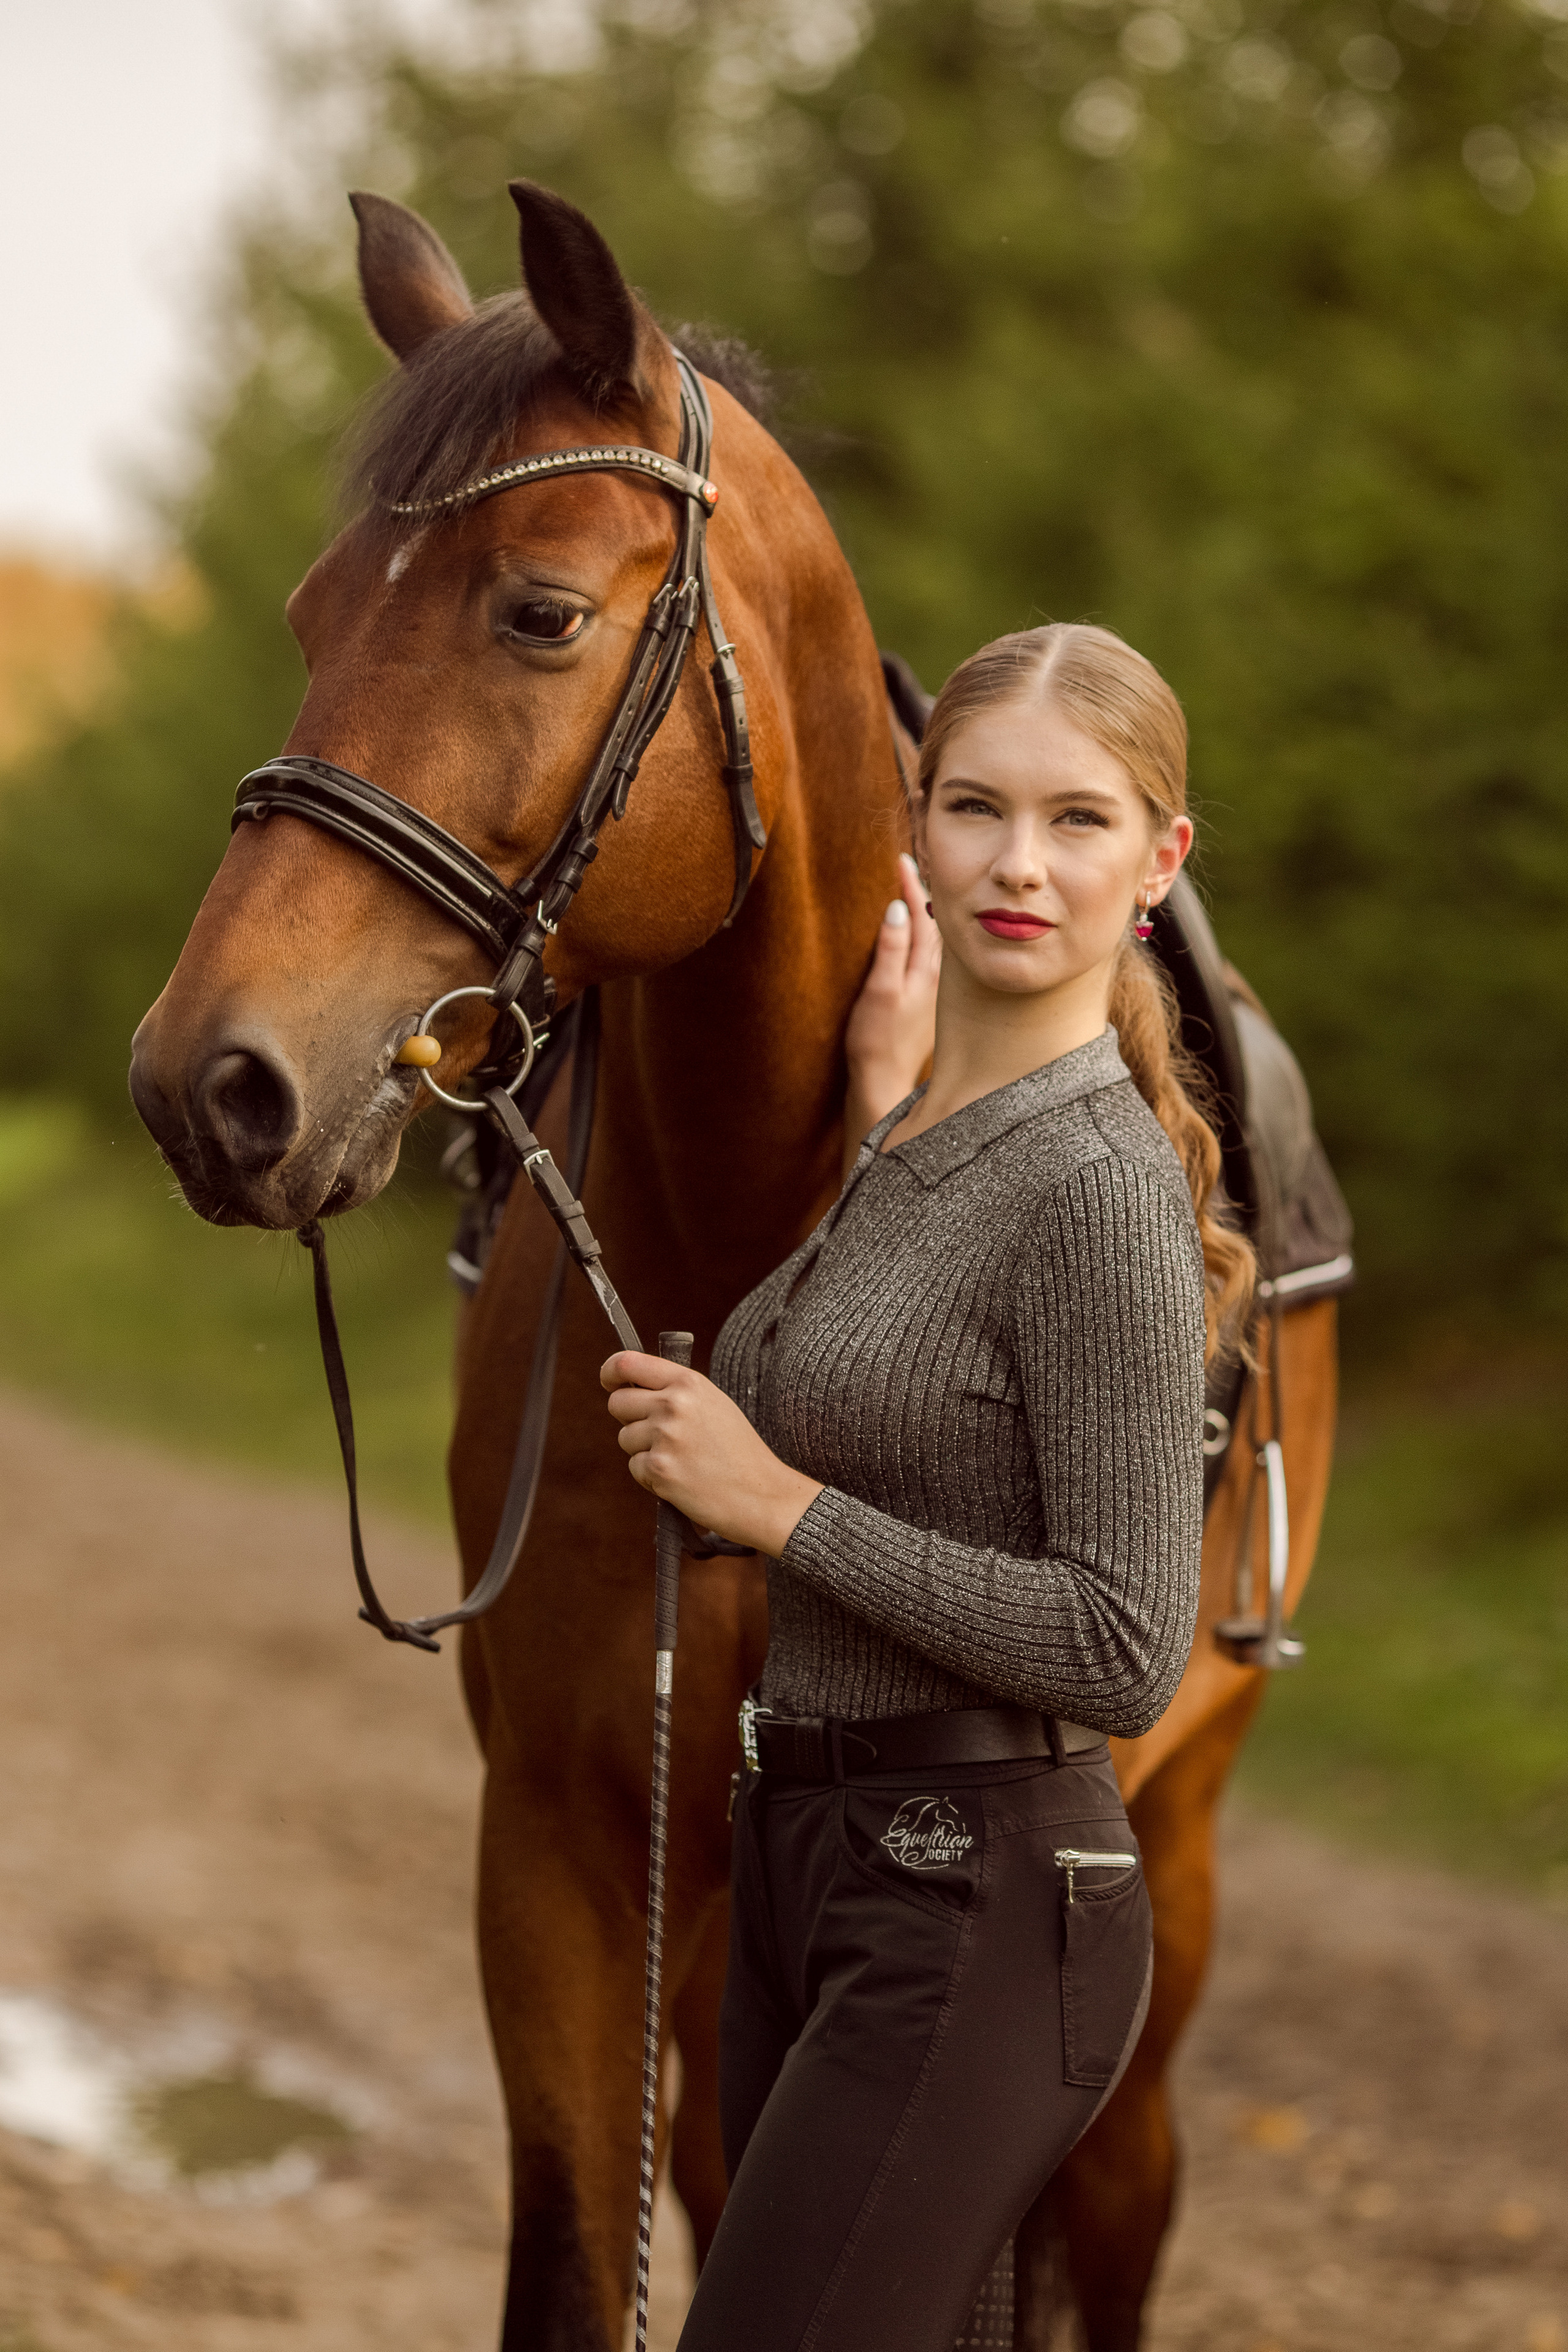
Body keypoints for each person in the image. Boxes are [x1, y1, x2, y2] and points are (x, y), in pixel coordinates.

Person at [602, 623, 1253, 2352]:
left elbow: (1124, 1645)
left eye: (1079, 821)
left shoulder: (1097, 1191)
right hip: (809, 1874)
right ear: (916, 827)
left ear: (1159, 860)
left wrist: (775, 1505)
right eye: (975, 809)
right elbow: (892, 1374)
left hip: (976, 1908)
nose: (1019, 865)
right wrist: (884, 1107)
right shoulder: (917, 1135)